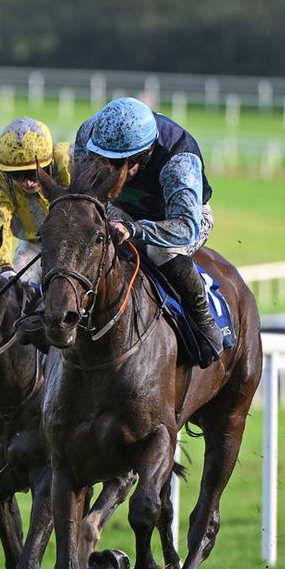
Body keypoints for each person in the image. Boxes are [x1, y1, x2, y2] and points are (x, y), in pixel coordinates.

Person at [73, 96, 222, 367]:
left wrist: (134, 229)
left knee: (159, 251)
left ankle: (203, 318)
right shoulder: (90, 134)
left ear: (139, 160)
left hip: (181, 218)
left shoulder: (178, 160)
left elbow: (186, 227)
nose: (103, 168)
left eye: (114, 165)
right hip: (122, 209)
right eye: (100, 159)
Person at [0, 117, 71, 285]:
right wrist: (4, 268)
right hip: (36, 244)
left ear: (49, 162)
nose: (27, 182)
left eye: (33, 173)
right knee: (16, 287)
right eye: (18, 175)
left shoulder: (69, 162)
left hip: (78, 241)